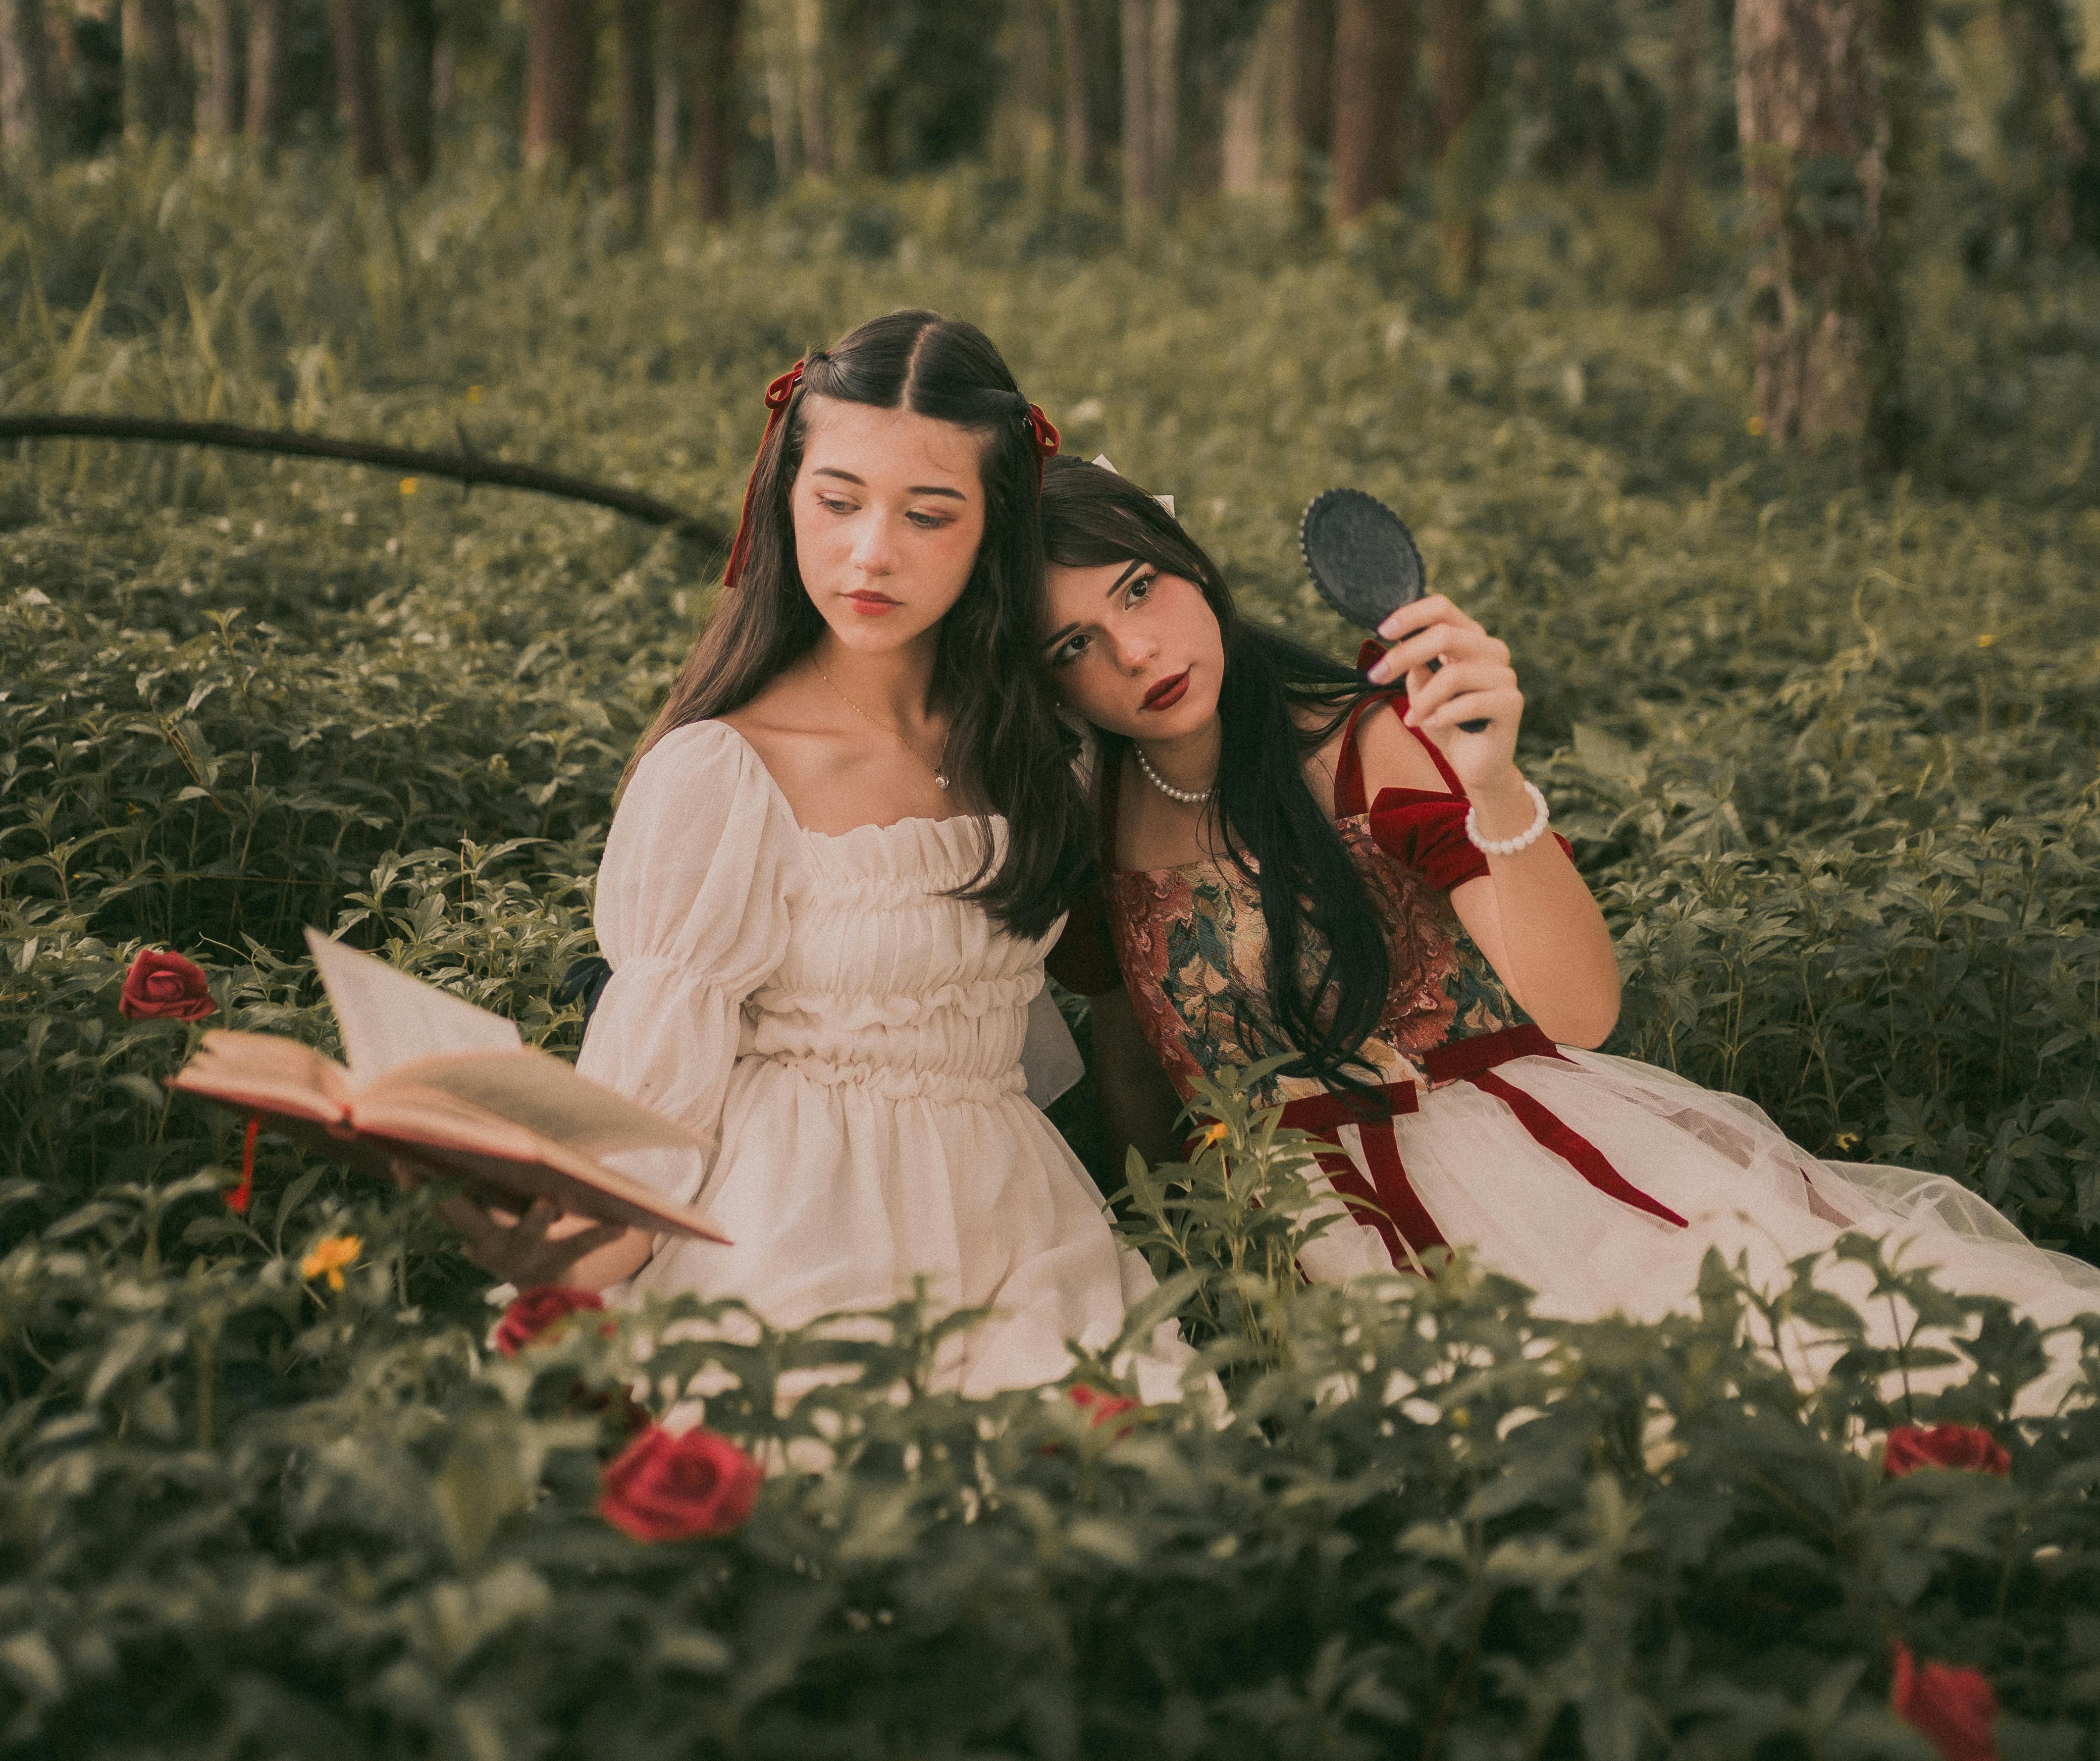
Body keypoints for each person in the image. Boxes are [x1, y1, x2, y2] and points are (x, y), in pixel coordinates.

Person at [1038, 457, 2100, 1368]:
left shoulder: (1361, 746)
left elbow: (1577, 1010)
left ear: (1191, 567)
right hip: (1281, 1236)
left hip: (1499, 1178)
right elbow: (1140, 1077)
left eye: (1139, 589)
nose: (1133, 650)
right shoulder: (1097, 816)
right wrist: (1180, 1261)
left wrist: (1492, 782)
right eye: (1072, 644)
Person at [440, 316, 1181, 1399]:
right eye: (836, 501)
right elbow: (651, 1101)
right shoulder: (724, 772)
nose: (870, 553)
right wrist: (559, 1263)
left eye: (929, 515)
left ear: (994, 531)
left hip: (1019, 1216)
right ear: (787, 498)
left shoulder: (1029, 749)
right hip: (800, 1219)